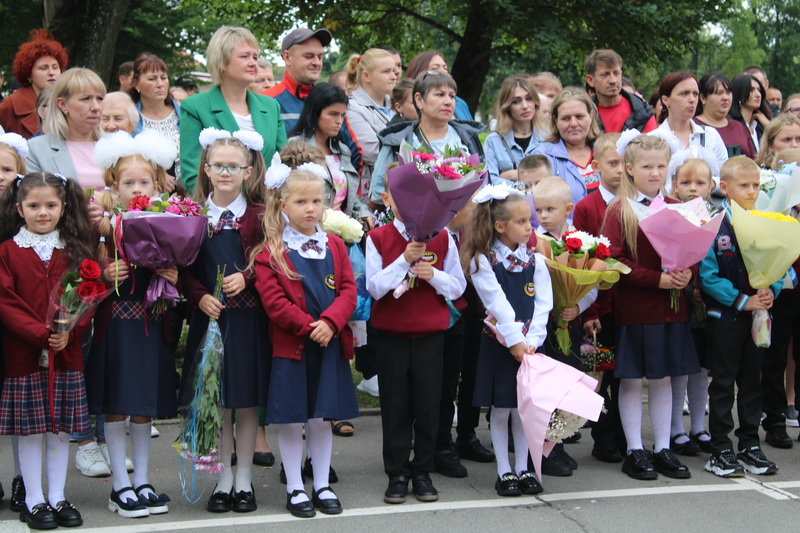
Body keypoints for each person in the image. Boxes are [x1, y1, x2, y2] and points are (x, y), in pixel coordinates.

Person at [253, 168, 358, 518]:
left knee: (320, 418)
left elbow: (348, 290)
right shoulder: (271, 252)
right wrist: (309, 326)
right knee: (292, 418)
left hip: (328, 345)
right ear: (283, 205)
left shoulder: (335, 245)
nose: (310, 208)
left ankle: (323, 484)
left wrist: (330, 323)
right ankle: (296, 488)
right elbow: (274, 303)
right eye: (301, 202)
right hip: (293, 348)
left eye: (316, 201)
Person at [88, 131, 178, 518]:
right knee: (116, 405)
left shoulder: (166, 223)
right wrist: (106, 273)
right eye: (129, 183)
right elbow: (85, 281)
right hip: (116, 328)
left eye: (144, 182)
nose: (137, 188)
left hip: (150, 324)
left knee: (144, 407)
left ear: (156, 185)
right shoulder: (105, 230)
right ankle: (119, 487)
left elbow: (178, 272)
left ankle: (141, 479)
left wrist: (172, 274)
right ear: (114, 185)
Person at [180, 130, 269, 513]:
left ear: (248, 171)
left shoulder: (262, 215)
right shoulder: (192, 216)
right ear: (207, 169)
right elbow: (182, 268)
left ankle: (245, 477)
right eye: (219, 166)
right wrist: (199, 296)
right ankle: (223, 478)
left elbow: (272, 257)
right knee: (218, 402)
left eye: (235, 166)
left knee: (246, 402)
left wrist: (248, 276)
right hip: (210, 320)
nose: (227, 172)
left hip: (248, 319)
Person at [0, 172, 95, 529]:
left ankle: (57, 495)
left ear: (64, 207)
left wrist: (72, 329)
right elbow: (6, 301)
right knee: (30, 430)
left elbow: (89, 294)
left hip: (66, 354)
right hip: (24, 354)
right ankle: (34, 499)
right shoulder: (7, 251)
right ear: (19, 208)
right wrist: (41, 333)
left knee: (59, 428)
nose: (43, 212)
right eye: (34, 206)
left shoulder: (74, 250)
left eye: (51, 205)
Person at [366, 168, 467, 505]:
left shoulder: (441, 238)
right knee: (395, 404)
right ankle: (396, 473)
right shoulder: (378, 238)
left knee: (428, 401)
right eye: (400, 197)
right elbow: (375, 288)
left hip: (429, 334)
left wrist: (432, 273)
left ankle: (422, 470)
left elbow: (457, 287)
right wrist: (403, 261)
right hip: (392, 334)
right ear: (386, 199)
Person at [604, 134, 698, 481]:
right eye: (647, 167)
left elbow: (692, 251)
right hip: (637, 307)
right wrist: (654, 280)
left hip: (672, 308)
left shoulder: (678, 206)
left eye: (661, 166)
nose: (655, 173)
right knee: (631, 380)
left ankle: (662, 448)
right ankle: (634, 450)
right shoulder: (621, 210)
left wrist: (688, 273)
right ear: (630, 168)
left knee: (664, 380)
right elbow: (615, 261)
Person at [461, 184, 551, 496]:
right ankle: (504, 470)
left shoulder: (536, 261)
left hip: (529, 347)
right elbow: (496, 302)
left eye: (530, 220)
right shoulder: (483, 261)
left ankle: (524, 466)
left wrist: (534, 339)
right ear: (500, 226)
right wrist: (515, 340)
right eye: (522, 221)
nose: (530, 227)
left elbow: (543, 304)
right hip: (501, 345)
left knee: (524, 408)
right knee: (502, 408)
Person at [699, 156, 784, 477]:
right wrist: (741, 300)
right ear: (724, 187)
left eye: (756, 186)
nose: (751, 192)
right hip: (726, 318)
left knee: (753, 381)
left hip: (758, 319)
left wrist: (769, 291)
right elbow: (708, 276)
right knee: (722, 383)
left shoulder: (765, 222)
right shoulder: (715, 225)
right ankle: (720, 447)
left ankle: (749, 443)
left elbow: (780, 263)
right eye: (744, 185)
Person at [181, 26, 286, 195]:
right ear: (221, 61)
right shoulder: (194, 107)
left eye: (255, 57)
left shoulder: (271, 106)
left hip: (266, 211)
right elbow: (192, 174)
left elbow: (284, 163)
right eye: (244, 56)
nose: (253, 63)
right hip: (220, 213)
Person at [573, 132, 625, 464]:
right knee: (600, 370)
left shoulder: (637, 204)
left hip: (629, 305)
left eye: (625, 164)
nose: (620, 170)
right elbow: (581, 261)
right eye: (613, 163)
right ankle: (603, 435)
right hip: (600, 307)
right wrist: (590, 308)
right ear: (596, 166)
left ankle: (622, 433)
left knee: (624, 373)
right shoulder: (587, 206)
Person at [370, 72, 485, 206]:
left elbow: (484, 185)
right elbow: (377, 194)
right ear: (419, 100)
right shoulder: (398, 141)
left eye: (452, 96)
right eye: (440, 94)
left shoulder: (468, 137)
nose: (448, 101)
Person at [668, 158, 714, 456]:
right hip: (679, 301)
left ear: (711, 186)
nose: (693, 188)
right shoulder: (670, 216)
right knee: (680, 369)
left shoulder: (716, 216)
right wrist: (689, 285)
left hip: (708, 305)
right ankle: (675, 429)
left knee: (701, 368)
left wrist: (702, 286)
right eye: (685, 183)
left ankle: (699, 426)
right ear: (674, 186)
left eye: (700, 183)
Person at [289, 83, 373, 221]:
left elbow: (350, 196)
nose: (339, 121)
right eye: (333, 114)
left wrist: (364, 213)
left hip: (343, 233)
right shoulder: (296, 148)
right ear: (315, 113)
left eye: (342, 115)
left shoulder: (343, 150)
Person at [0, 132, 30, 512]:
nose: (0, 176)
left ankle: (24, 479)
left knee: (23, 406)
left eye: (7, 169)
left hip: (21, 317)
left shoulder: (26, 213)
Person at [26, 67, 106, 190]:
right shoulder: (36, 149)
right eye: (86, 99)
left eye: (100, 98)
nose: (96, 107)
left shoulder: (117, 147)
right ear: (62, 105)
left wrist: (107, 201)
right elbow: (33, 199)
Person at [651, 72, 727, 190]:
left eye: (695, 94)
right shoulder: (652, 140)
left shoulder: (710, 135)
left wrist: (709, 184)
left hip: (709, 206)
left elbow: (727, 179)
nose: (692, 99)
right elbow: (647, 185)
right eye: (684, 94)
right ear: (666, 100)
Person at [533, 87, 602, 206]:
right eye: (566, 118)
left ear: (590, 116)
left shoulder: (606, 151)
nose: (573, 124)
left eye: (579, 116)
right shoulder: (542, 158)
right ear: (555, 121)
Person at [344, 49, 398, 191]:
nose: (394, 76)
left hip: (396, 183)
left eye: (394, 70)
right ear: (366, 76)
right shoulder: (352, 107)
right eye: (386, 71)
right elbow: (372, 153)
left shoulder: (395, 105)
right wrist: (411, 159)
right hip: (372, 190)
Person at [0, 30, 67, 139]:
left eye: (55, 67)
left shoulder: (70, 101)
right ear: (28, 75)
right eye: (43, 68)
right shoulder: (11, 105)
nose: (51, 73)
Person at [484, 76, 546, 186]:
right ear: (507, 106)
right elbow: (489, 181)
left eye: (529, 99)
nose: (525, 106)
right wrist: (523, 184)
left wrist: (512, 175)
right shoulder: (493, 141)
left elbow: (554, 178)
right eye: (516, 101)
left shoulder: (547, 138)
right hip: (509, 202)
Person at [584, 49, 656, 133]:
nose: (613, 80)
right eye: (605, 74)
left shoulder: (642, 112)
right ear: (590, 80)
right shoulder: (581, 113)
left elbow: (652, 145)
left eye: (616, 73)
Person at [694, 73, 756, 159]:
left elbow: (755, 161)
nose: (725, 98)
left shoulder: (739, 127)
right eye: (719, 93)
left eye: (728, 92)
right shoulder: (693, 126)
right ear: (703, 98)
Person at [404, 50, 473, 121]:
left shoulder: (460, 103)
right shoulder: (410, 104)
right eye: (435, 69)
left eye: (445, 68)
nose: (443, 72)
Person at [729, 74, 772, 153]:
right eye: (751, 90)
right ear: (739, 94)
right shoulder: (731, 125)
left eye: (758, 90)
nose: (758, 95)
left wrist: (769, 127)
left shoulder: (759, 126)